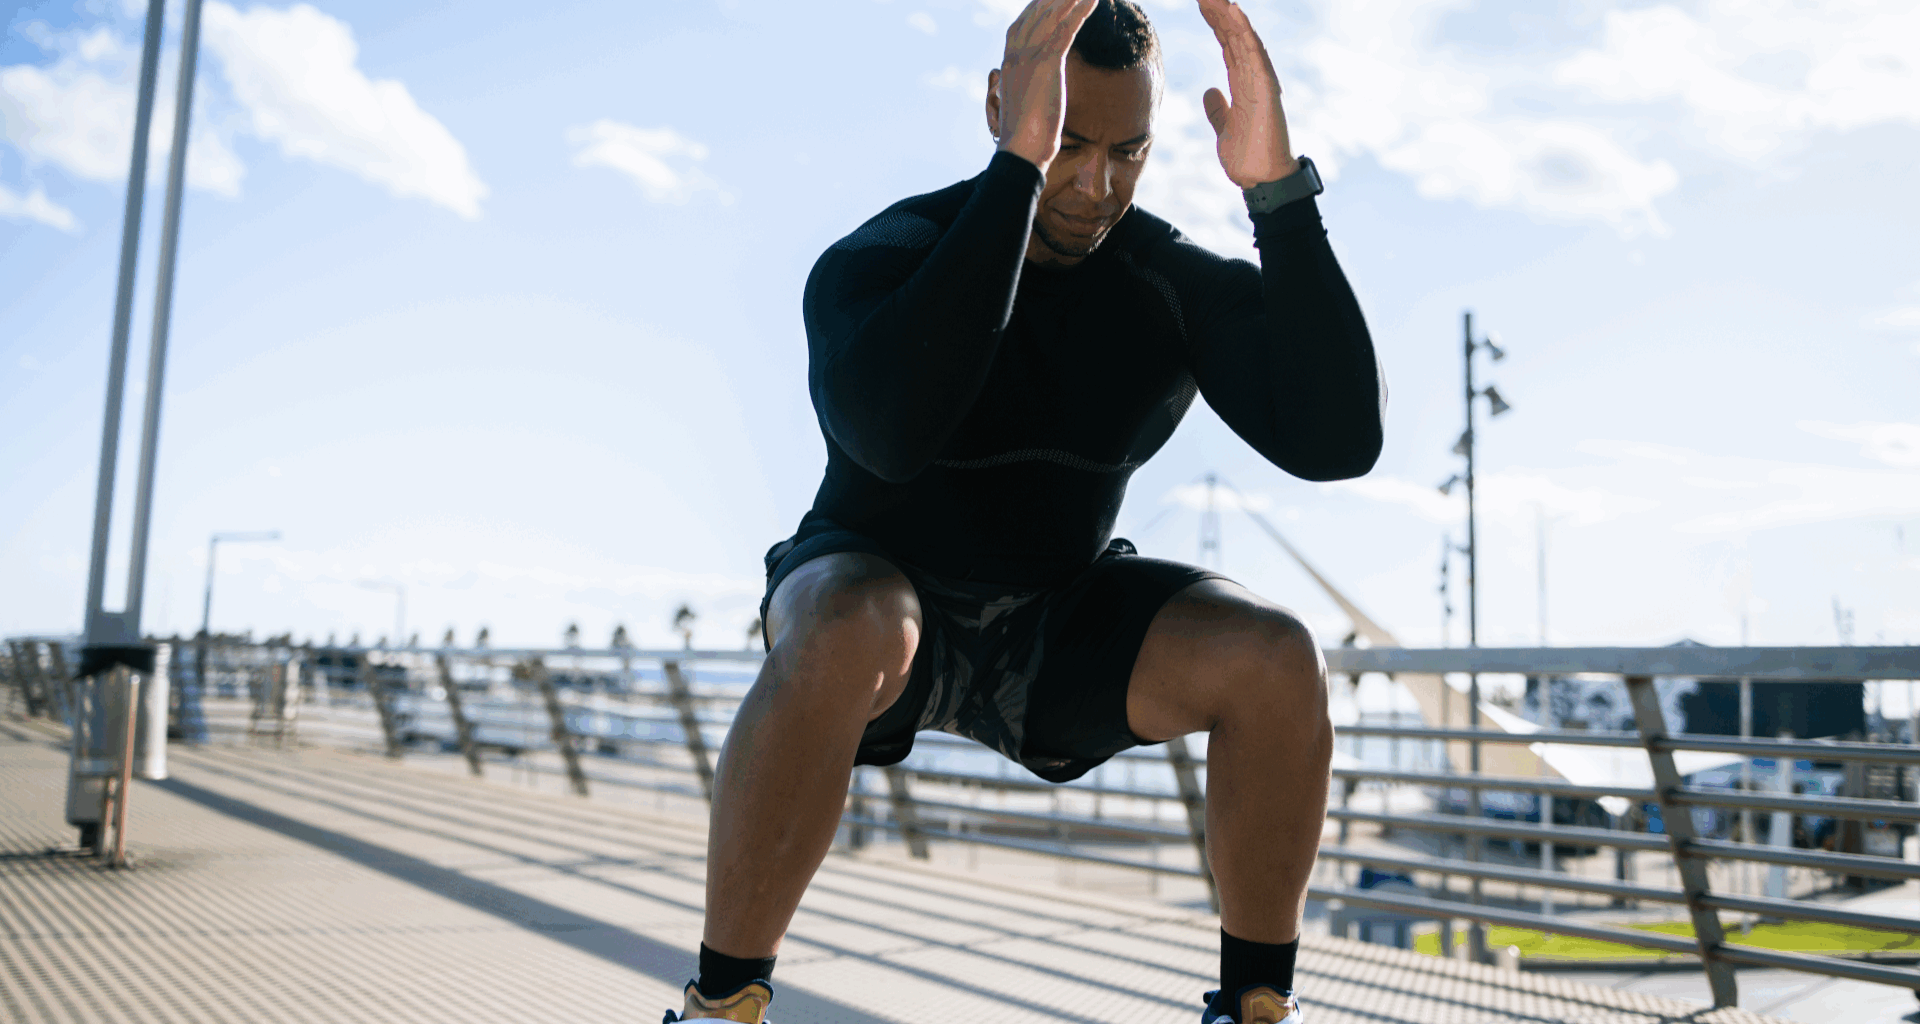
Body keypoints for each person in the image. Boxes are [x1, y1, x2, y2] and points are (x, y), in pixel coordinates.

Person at [667, 1, 1382, 1021]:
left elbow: (1338, 439)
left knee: (1276, 656)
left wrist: (1277, 191)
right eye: (1069, 144)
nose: (1094, 185)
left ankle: (1256, 1009)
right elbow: (894, 431)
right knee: (850, 619)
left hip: (1056, 622)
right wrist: (1016, 174)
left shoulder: (1165, 283)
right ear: (1004, 109)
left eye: (1128, 151)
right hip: (872, 596)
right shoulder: (888, 255)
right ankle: (720, 1005)